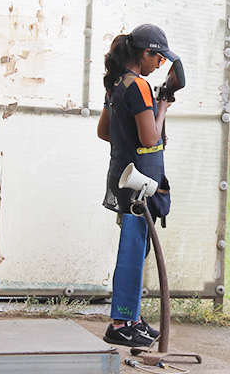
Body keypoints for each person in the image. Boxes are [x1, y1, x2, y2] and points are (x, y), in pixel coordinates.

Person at [97, 23, 178, 347]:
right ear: (146, 53)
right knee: (133, 249)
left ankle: (131, 318)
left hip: (123, 175)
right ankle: (121, 323)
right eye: (159, 58)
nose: (160, 64)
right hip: (138, 181)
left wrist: (138, 132)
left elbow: (105, 131)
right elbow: (149, 138)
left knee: (137, 247)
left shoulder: (116, 83)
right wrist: (162, 109)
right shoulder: (140, 87)